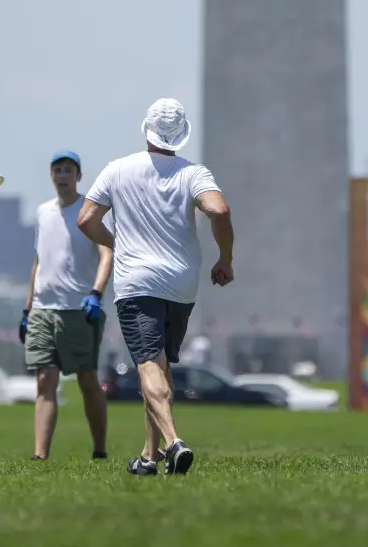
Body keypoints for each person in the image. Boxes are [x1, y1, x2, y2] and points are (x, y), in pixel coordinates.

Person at [76, 98, 234, 477]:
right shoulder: (193, 173)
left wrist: (117, 243)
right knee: (162, 366)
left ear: (145, 130)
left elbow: (86, 219)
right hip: (182, 284)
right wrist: (225, 258)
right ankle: (149, 457)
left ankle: (173, 442)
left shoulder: (117, 169)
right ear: (181, 135)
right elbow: (219, 210)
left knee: (147, 365)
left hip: (136, 282)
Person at [21, 150, 113, 461]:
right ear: (51, 175)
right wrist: (27, 308)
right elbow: (38, 262)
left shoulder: (90, 212)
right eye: (57, 170)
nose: (62, 175)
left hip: (79, 308)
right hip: (43, 309)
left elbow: (106, 254)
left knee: (87, 379)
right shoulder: (43, 212)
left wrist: (96, 293)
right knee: (45, 379)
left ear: (78, 176)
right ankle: (40, 455)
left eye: (68, 170)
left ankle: (99, 449)